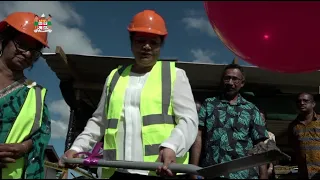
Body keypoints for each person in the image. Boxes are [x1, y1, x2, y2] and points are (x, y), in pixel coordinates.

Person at [60, 9, 198, 179]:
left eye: (153, 42)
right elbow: (99, 121)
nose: (146, 47)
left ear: (160, 46)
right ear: (131, 43)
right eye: (140, 40)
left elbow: (189, 120)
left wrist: (172, 146)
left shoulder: (174, 75)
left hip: (159, 171)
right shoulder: (115, 77)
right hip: (117, 172)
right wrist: (78, 148)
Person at [190, 64, 269, 179]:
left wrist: (264, 174)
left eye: (235, 79)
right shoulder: (209, 104)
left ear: (242, 83)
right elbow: (198, 136)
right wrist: (193, 169)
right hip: (213, 172)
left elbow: (260, 143)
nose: (230, 83)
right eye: (227, 78)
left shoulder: (251, 109)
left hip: (244, 174)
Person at [0, 12, 51, 179]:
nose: (28, 54)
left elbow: (42, 134)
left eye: (35, 51)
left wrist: (24, 147)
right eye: (22, 45)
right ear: (4, 39)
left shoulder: (35, 94)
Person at [288, 92, 320, 179]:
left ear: (313, 104)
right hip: (303, 173)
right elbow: (293, 146)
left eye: (305, 101)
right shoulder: (293, 126)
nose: (302, 103)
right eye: (299, 101)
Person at [260, 110, 276, 179]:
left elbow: (272, 155)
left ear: (265, 122)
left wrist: (270, 168)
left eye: (262, 120)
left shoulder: (270, 136)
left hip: (265, 168)